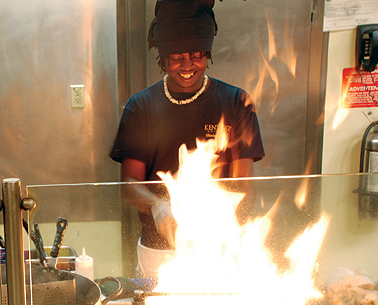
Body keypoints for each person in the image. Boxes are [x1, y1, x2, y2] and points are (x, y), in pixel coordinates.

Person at [109, 0, 265, 279]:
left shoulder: (235, 103)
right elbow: (130, 184)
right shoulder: (141, 106)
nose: (187, 66)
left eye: (196, 55)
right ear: (163, 57)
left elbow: (244, 185)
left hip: (218, 249)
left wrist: (219, 219)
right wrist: (159, 206)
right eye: (177, 57)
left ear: (207, 53)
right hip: (158, 251)